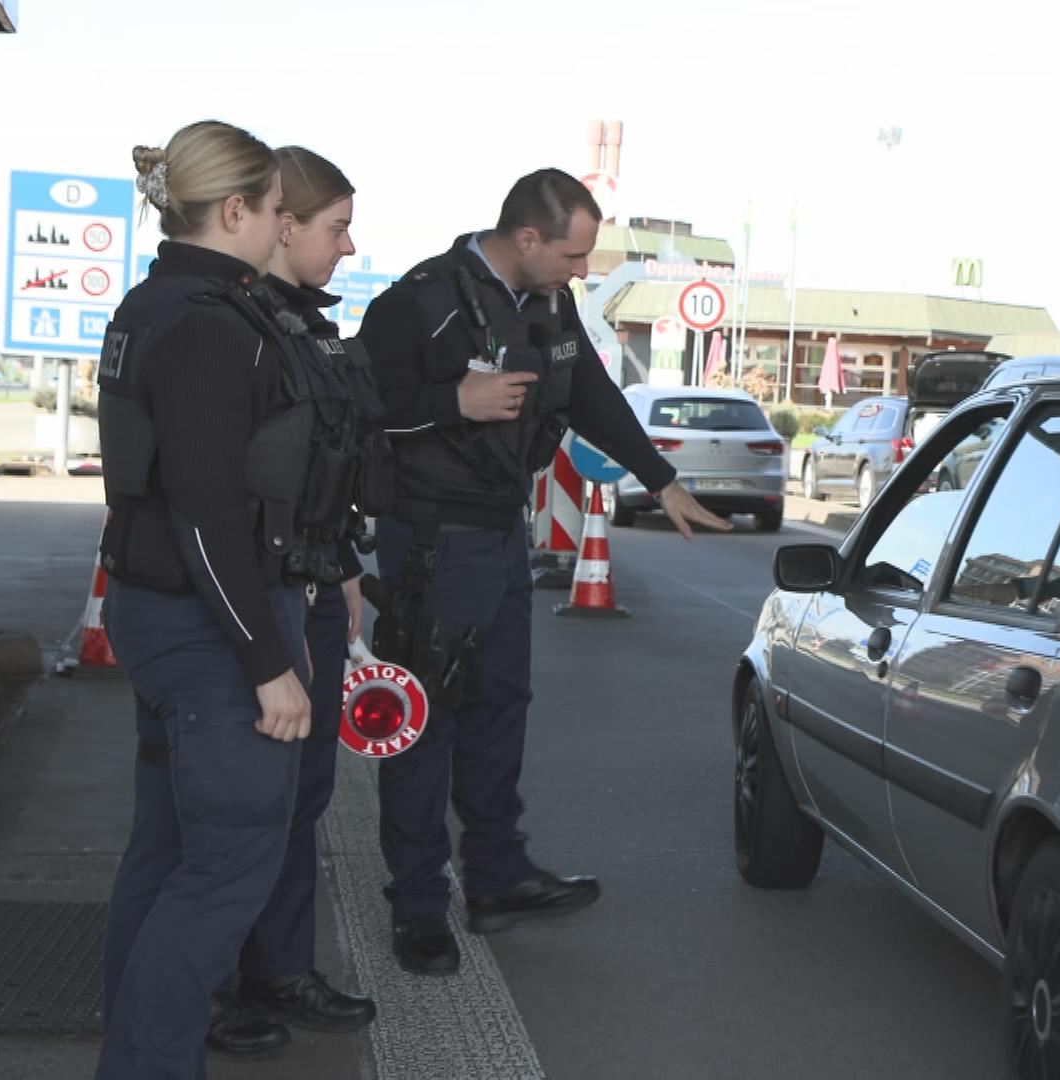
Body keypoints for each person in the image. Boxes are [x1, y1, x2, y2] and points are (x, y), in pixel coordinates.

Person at [357, 168, 730, 976]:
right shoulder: (418, 302)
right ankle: (419, 907)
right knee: (427, 718)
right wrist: (454, 400)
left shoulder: (546, 301)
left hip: (499, 536)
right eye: (573, 254)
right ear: (526, 238)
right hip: (431, 538)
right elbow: (362, 405)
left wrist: (660, 480)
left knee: (500, 707)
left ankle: (498, 877)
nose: (582, 272)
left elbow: (591, 393)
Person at [92, 121, 372, 1078]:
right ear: (240, 211)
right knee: (223, 872)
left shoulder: (161, 302)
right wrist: (268, 664)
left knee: (170, 855)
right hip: (212, 629)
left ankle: (132, 1053)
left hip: (170, 614)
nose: (286, 228)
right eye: (280, 213)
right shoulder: (212, 326)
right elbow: (207, 514)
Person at [205, 145, 388, 1053]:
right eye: (336, 228)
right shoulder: (239, 328)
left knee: (301, 798)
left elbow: (327, 470)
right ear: (282, 226)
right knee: (247, 804)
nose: (349, 248)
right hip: (259, 593)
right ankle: (219, 985)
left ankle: (279, 968)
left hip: (313, 578)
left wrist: (345, 570)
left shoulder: (308, 329)